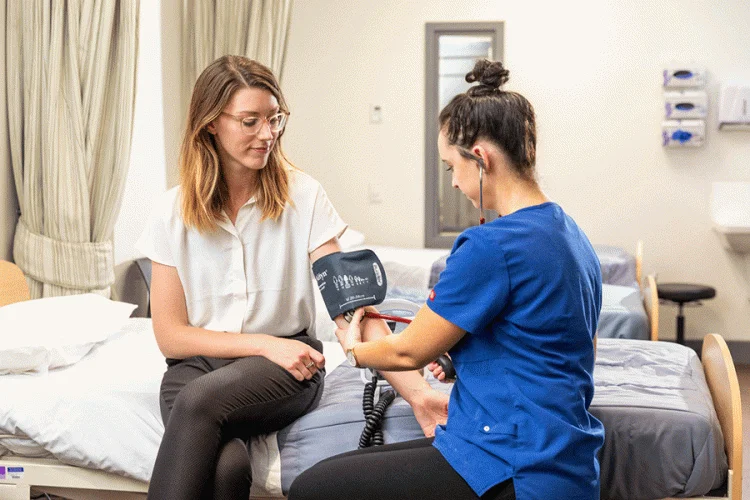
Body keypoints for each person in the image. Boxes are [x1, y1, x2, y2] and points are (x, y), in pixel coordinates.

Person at [287, 59, 604, 500]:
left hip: (514, 465)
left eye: (450, 166)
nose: (453, 183)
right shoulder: (570, 233)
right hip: (560, 458)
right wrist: (465, 358)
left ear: (480, 158)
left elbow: (407, 349)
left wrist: (354, 348)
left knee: (312, 488)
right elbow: (555, 343)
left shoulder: (492, 246)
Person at [136, 55, 449, 500]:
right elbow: (170, 336)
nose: (268, 134)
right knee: (228, 468)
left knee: (197, 404)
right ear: (210, 124)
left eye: (274, 118)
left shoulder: (304, 195)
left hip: (286, 368)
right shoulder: (171, 211)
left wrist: (418, 393)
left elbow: (351, 308)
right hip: (200, 367)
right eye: (250, 121)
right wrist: (264, 343)